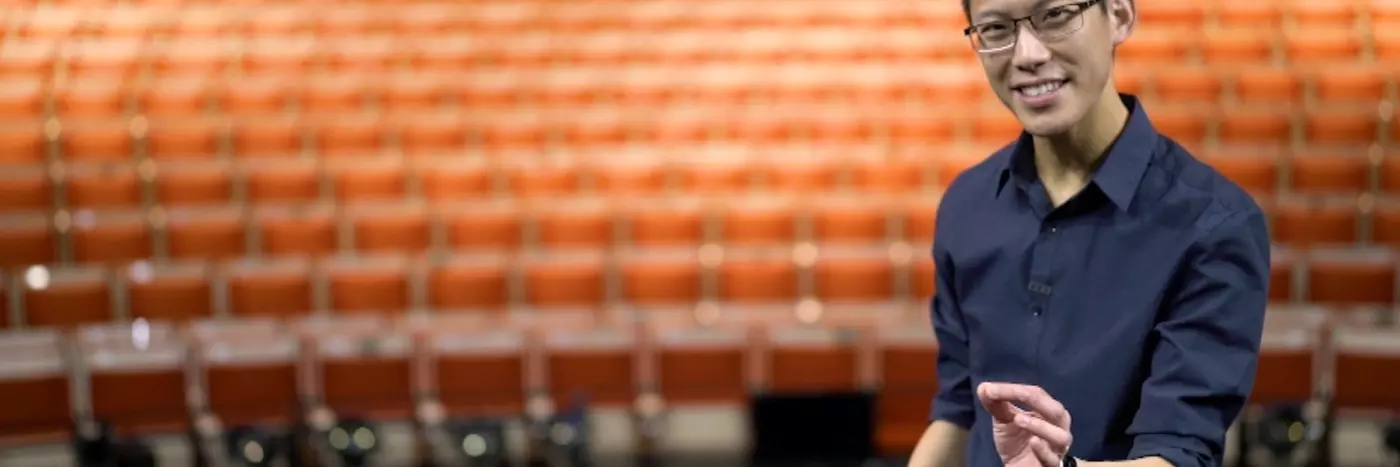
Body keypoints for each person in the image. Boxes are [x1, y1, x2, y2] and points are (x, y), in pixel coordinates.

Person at [906, 0, 1271, 466]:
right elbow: (958, 410)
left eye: (1055, 15)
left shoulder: (1215, 225)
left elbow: (1178, 450)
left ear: (1119, 16)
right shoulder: (967, 203)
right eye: (996, 28)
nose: (1027, 54)